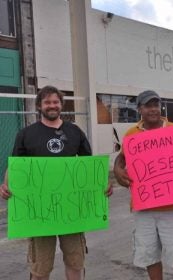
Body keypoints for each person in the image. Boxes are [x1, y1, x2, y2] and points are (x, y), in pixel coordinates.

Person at [0, 85, 113, 280]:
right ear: (39, 106)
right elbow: (16, 167)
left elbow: (89, 166)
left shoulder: (74, 131)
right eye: (47, 102)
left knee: (75, 262)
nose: (52, 106)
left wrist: (103, 185)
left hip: (72, 211)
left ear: (61, 105)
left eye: (55, 102)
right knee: (40, 267)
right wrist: (5, 185)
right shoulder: (26, 134)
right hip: (39, 213)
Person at [113, 90, 173, 280]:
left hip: (172, 208)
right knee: (150, 256)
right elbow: (122, 158)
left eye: (156, 105)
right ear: (140, 109)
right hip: (144, 208)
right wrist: (117, 169)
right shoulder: (132, 134)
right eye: (148, 105)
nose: (153, 109)